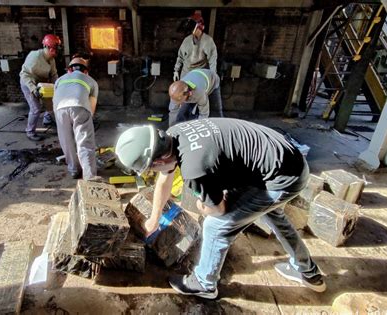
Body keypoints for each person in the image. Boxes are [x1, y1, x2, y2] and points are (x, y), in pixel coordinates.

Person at [115, 118, 326, 299]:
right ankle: (308, 272)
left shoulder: (194, 169)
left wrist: (203, 205)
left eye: (149, 168)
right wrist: (154, 218)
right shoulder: (173, 135)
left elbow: (219, 210)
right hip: (283, 160)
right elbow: (165, 179)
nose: (151, 173)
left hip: (282, 178)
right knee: (272, 214)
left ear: (159, 159)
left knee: (216, 226)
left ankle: (205, 284)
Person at [53, 57, 99, 180]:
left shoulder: (59, 80)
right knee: (85, 142)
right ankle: (89, 176)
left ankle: (73, 169)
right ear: (85, 71)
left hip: (60, 109)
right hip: (80, 107)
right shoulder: (91, 81)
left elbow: (55, 99)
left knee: (66, 141)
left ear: (69, 70)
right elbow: (92, 105)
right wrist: (88, 119)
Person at [171, 11, 218, 125]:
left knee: (199, 101)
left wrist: (213, 74)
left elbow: (212, 59)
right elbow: (180, 56)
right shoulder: (187, 41)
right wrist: (176, 70)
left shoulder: (208, 42)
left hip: (200, 74)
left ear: (199, 28)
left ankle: (196, 122)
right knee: (183, 101)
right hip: (186, 73)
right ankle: (183, 122)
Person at [20, 34, 61, 141]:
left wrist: (58, 87)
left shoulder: (51, 59)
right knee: (36, 108)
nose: (56, 51)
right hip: (29, 83)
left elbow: (53, 74)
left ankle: (47, 120)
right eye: (55, 48)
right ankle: (30, 132)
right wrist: (33, 89)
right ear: (49, 47)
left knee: (51, 102)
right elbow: (24, 75)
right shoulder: (35, 57)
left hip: (42, 83)